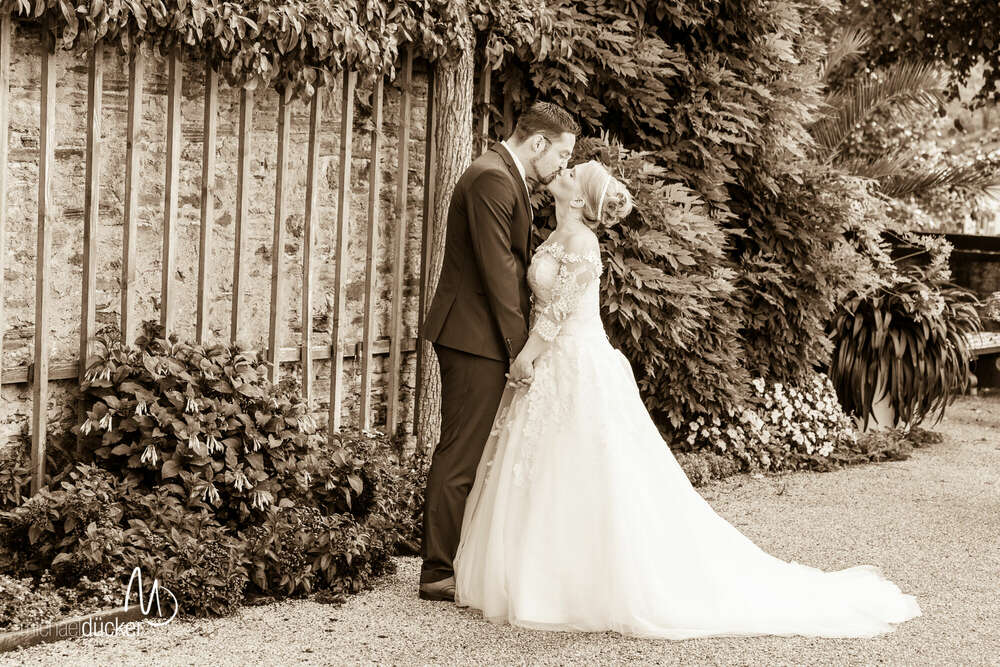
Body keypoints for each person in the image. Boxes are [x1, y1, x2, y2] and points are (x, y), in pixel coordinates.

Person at [451, 160, 923, 639]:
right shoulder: (552, 237)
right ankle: (537, 576)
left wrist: (525, 357)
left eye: (573, 172)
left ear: (578, 198)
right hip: (550, 365)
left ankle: (576, 586)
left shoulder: (582, 243)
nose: (564, 171)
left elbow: (557, 313)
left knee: (584, 468)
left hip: (571, 361)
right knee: (543, 467)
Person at [417, 102, 580, 601]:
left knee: (471, 450)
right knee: (461, 451)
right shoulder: (491, 178)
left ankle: (454, 557)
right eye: (562, 154)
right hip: (472, 337)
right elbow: (498, 273)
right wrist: (520, 350)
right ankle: (437, 571)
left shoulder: (504, 175)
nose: (563, 167)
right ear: (537, 143)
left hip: (478, 335)